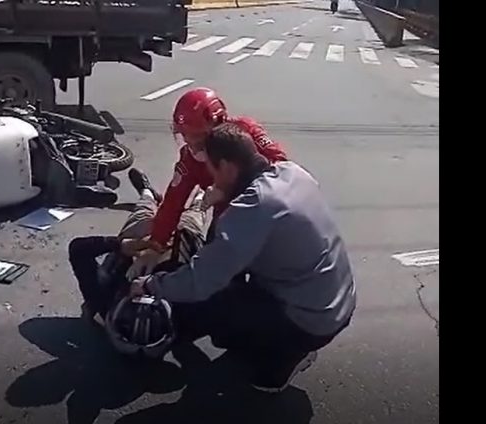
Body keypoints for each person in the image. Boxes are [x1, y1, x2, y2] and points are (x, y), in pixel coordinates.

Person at [130, 122, 357, 393]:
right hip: (338, 301)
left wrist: (150, 285)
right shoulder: (292, 172)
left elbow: (202, 279)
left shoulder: (253, 208)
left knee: (219, 312)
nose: (212, 180)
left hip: (312, 319)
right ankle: (274, 342)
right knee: (234, 288)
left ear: (227, 167)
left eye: (213, 171)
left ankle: (283, 360)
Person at [127, 87, 289, 271]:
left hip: (263, 213)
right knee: (215, 263)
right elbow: (173, 202)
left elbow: (281, 168)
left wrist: (229, 192)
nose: (192, 144)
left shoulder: (245, 131)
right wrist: (155, 246)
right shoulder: (189, 159)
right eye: (185, 135)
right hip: (225, 214)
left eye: (198, 137)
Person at [67, 169, 208, 320]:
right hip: (183, 247)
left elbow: (78, 249)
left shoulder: (104, 301)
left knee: (143, 213)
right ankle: (199, 194)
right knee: (193, 214)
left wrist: (120, 245)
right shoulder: (192, 316)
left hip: (137, 246)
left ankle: (147, 193)